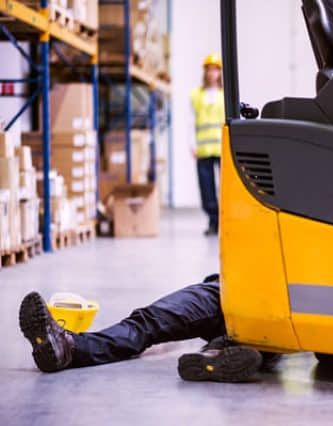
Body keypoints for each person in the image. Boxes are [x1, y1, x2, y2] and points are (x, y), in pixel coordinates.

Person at [18, 274, 276, 382]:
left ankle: (215, 354)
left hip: (271, 307)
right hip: (227, 286)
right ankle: (66, 347)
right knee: (148, 319)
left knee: (264, 335)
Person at [191, 54, 225, 236]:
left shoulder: (225, 95)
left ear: (220, 72)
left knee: (226, 188)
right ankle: (213, 221)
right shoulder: (197, 95)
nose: (212, 73)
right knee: (207, 188)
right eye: (209, 69)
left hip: (222, 149)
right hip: (203, 150)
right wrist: (192, 144)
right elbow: (191, 121)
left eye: (215, 69)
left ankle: (226, 221)